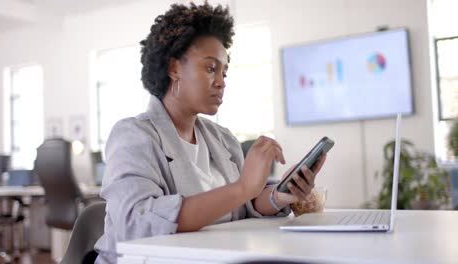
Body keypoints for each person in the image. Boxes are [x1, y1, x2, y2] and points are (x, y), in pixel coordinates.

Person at [94, 2, 327, 263]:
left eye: (224, 72)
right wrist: (242, 187)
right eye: (210, 68)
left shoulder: (222, 139)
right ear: (173, 69)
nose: (221, 81)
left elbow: (245, 205)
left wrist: (278, 194)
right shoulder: (133, 135)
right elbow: (137, 223)